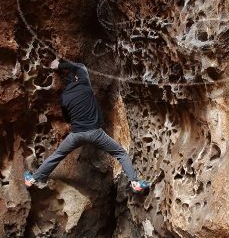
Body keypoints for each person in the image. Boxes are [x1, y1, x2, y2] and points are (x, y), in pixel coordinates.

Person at [24, 58, 150, 194]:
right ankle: (135, 182)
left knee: (58, 155)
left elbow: (68, 119)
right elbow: (80, 66)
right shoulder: (84, 84)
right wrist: (59, 65)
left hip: (76, 135)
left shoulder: (64, 98)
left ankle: (33, 179)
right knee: (120, 153)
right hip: (95, 133)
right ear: (78, 78)